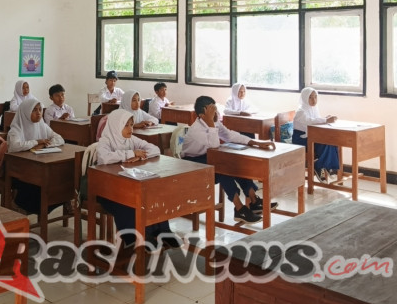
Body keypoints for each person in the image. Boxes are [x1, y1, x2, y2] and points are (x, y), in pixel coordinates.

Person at [182, 96, 276, 225]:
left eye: (215, 110)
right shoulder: (196, 130)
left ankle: (254, 200)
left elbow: (230, 135)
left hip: (209, 157)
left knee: (236, 163)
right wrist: (210, 123)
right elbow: (214, 145)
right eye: (212, 111)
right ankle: (239, 208)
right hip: (191, 163)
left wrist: (255, 142)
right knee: (222, 168)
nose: (216, 114)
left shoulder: (214, 123)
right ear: (202, 115)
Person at [96, 109, 181, 249]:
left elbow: (155, 149)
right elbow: (104, 158)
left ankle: (163, 231)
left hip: (127, 185)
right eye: (126, 125)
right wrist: (130, 153)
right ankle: (132, 236)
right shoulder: (105, 141)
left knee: (155, 194)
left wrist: (140, 155)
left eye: (131, 124)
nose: (130, 128)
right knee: (128, 202)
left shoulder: (131, 139)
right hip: (108, 190)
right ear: (116, 125)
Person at [6, 99, 65, 215]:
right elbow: (14, 146)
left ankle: (58, 201)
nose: (38, 113)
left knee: (58, 177)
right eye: (34, 110)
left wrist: (46, 144)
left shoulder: (42, 125)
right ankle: (23, 205)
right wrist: (36, 142)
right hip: (19, 169)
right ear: (25, 112)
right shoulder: (16, 129)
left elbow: (59, 138)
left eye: (40, 110)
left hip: (38, 165)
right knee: (39, 181)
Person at [292, 88, 339, 183]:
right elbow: (310, 121)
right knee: (324, 142)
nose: (314, 100)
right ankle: (319, 166)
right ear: (305, 98)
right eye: (310, 97)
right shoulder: (301, 111)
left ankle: (328, 166)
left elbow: (316, 120)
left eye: (315, 97)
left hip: (311, 136)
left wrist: (324, 119)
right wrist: (325, 120)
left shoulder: (314, 108)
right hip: (300, 139)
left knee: (333, 141)